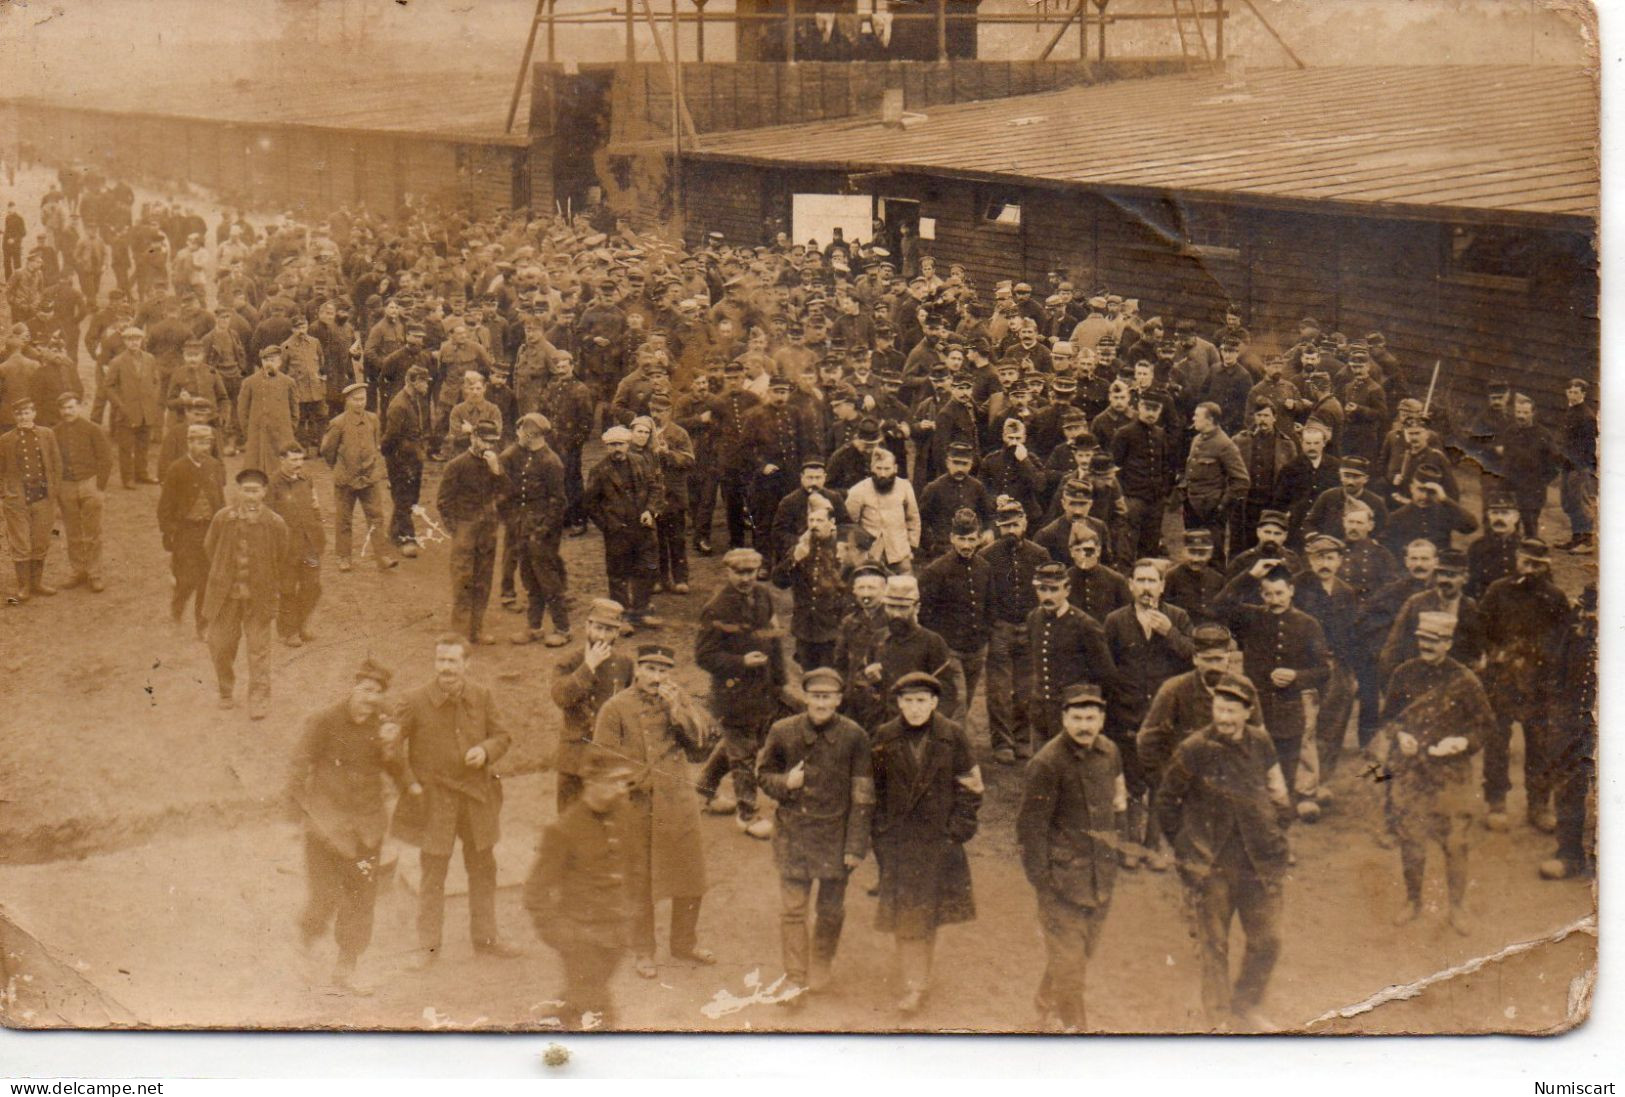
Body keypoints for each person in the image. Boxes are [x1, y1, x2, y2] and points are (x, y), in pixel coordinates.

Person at [1155, 673, 1292, 1032]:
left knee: (1268, 940)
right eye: (1220, 708)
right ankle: (1218, 1020)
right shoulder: (1195, 748)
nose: (1225, 718)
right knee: (1214, 945)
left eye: (1233, 711)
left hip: (1257, 861)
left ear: (1248, 712)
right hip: (1211, 863)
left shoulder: (1261, 742)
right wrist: (1186, 849)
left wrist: (1275, 832)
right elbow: (1167, 803)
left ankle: (1245, 1004)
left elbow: (1278, 793)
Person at [393, 634, 522, 970]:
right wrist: (410, 784)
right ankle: (428, 948)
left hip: (476, 796)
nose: (446, 668)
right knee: (433, 872)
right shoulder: (414, 700)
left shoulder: (483, 696)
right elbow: (391, 746)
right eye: (441, 660)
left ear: (467, 664)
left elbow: (503, 736)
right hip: (436, 799)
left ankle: (487, 938)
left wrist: (486, 751)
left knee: (483, 868)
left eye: (452, 661)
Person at [591, 643, 715, 979]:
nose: (656, 677)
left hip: (678, 802)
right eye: (650, 669)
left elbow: (700, 751)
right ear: (637, 670)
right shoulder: (616, 708)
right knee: (641, 883)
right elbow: (602, 761)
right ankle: (643, 951)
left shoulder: (676, 702)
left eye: (663, 671)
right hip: (636, 806)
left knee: (690, 875)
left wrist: (681, 712)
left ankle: (684, 944)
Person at [755, 667, 874, 1003]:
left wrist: (855, 846)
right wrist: (785, 784)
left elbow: (863, 795)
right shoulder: (783, 731)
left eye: (828, 696)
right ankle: (795, 978)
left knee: (831, 910)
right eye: (815, 696)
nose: (821, 703)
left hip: (836, 838)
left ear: (839, 699)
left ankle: (821, 960)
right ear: (806, 697)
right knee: (793, 911)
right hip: (793, 833)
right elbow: (763, 775)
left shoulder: (855, 737)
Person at [869, 671, 982, 1015]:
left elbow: (971, 788)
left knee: (926, 915)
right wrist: (882, 837)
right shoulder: (885, 736)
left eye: (922, 701)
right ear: (899, 703)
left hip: (939, 842)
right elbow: (875, 791)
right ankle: (915, 982)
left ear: (934, 703)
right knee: (910, 914)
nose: (915, 708)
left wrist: (956, 831)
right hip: (900, 843)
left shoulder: (953, 736)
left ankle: (915, 978)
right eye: (908, 701)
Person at [1375, 612, 1492, 936]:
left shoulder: (1465, 680)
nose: (1427, 646)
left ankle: (1457, 907)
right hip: (1411, 772)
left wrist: (1462, 742)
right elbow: (1388, 719)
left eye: (1435, 641)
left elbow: (1485, 727)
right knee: (1411, 839)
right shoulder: (1403, 674)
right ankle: (1413, 902)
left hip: (1450, 773)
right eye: (1423, 640)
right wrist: (1400, 736)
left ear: (1448, 643)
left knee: (1455, 842)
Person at [1017, 682, 1125, 1032]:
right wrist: (1042, 881)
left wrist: (1115, 854)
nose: (1084, 726)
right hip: (1061, 881)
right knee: (1071, 963)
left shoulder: (1110, 753)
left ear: (1102, 719)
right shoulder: (1046, 764)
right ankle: (1075, 1030)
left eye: (1091, 718)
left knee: (1080, 953)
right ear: (1064, 718)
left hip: (1099, 876)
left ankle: (1046, 1000)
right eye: (1077, 717)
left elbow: (1118, 805)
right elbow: (1030, 829)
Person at [289, 657, 400, 995]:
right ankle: (304, 948)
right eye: (365, 689)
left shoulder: (383, 726)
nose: (370, 698)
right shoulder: (325, 721)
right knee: (323, 898)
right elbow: (299, 763)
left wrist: (393, 749)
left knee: (361, 900)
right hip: (327, 829)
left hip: (366, 829)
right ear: (354, 687)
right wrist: (298, 812)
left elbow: (395, 768)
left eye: (376, 693)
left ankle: (346, 968)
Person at [523, 753, 638, 1030]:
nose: (622, 789)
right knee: (599, 1013)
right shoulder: (564, 830)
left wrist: (631, 911)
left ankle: (546, 1025)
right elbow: (535, 892)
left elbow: (633, 866)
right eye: (614, 782)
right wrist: (561, 935)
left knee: (582, 995)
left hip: (617, 933)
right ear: (591, 783)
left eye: (624, 782)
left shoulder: (626, 815)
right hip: (581, 936)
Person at [1478, 539, 1573, 833]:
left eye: (1536, 565)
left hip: (1538, 683)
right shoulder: (1497, 591)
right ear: (1516, 560)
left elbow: (1563, 638)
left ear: (1545, 567)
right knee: (1497, 742)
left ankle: (1539, 804)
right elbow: (1482, 630)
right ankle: (1496, 801)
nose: (1529, 570)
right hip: (1502, 680)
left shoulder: (1555, 597)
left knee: (1539, 744)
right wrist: (1496, 653)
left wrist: (1539, 656)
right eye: (1525, 562)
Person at [695, 547, 789, 837]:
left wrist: (780, 680)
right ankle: (748, 814)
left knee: (743, 743)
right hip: (731, 694)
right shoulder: (716, 607)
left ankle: (705, 784)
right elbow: (704, 656)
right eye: (740, 572)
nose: (747, 578)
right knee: (744, 751)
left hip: (762, 688)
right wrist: (740, 662)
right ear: (728, 572)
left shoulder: (763, 596)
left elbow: (773, 639)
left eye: (751, 572)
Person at [202, 467, 290, 719]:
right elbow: (210, 549)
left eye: (255, 491)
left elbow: (281, 555)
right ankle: (226, 691)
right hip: (225, 597)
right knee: (220, 646)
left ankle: (259, 699)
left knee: (258, 650)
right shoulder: (222, 518)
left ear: (264, 493)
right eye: (245, 490)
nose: (250, 496)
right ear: (238, 492)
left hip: (258, 598)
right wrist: (223, 576)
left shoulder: (274, 523)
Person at [550, 598, 634, 813]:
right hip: (574, 754)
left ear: (617, 633)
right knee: (569, 821)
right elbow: (561, 698)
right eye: (598, 628)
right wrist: (589, 667)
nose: (603, 636)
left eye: (609, 630)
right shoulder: (568, 661)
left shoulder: (624, 664)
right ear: (587, 626)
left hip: (608, 754)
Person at [584, 424, 662, 629]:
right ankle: (623, 617)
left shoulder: (640, 462)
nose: (617, 449)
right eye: (612, 445)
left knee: (648, 569)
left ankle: (641, 611)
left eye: (621, 444)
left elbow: (655, 487)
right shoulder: (599, 471)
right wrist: (609, 526)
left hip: (643, 527)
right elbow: (590, 504)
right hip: (618, 531)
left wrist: (649, 511)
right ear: (606, 447)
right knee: (618, 575)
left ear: (628, 444)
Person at [501, 412, 570, 645]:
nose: (518, 435)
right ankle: (534, 627)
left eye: (522, 431)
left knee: (548, 580)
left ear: (532, 434)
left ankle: (563, 629)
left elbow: (558, 502)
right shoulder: (521, 454)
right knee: (529, 579)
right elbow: (506, 460)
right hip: (523, 527)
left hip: (542, 532)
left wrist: (542, 530)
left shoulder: (551, 462)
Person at [436, 419, 507, 645]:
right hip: (465, 531)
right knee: (463, 581)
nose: (488, 446)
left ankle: (476, 630)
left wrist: (497, 471)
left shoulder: (495, 464)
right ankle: (459, 634)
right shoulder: (456, 465)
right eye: (484, 441)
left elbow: (508, 494)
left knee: (483, 581)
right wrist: (456, 529)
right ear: (473, 437)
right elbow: (443, 502)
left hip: (488, 531)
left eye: (493, 442)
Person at [319, 382, 398, 573]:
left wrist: (371, 466)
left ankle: (382, 556)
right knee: (344, 519)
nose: (359, 403)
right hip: (346, 480)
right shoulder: (337, 423)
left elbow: (375, 444)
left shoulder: (373, 420)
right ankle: (344, 557)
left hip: (369, 477)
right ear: (348, 401)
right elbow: (327, 450)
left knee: (376, 517)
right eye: (355, 400)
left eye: (362, 399)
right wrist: (340, 468)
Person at [157, 423, 227, 634]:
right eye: (199, 442)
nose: (204, 447)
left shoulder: (214, 465)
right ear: (189, 443)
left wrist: (223, 527)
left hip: (209, 531)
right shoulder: (177, 468)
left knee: (206, 580)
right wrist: (169, 533)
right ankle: (176, 610)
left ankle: (202, 625)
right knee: (186, 579)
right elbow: (165, 506)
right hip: (186, 532)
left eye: (207, 442)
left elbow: (219, 500)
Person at [0, 397, 62, 599]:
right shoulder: (5, 440)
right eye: (19, 413)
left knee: (41, 540)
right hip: (17, 499)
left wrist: (54, 492)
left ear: (34, 413)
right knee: (21, 542)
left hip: (43, 496)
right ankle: (23, 586)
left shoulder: (47, 434)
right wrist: (5, 494)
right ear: (14, 416)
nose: (23, 417)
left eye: (27, 412)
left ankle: (37, 583)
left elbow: (56, 465)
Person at [265, 443, 324, 647]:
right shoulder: (272, 484)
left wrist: (317, 532)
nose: (299, 464)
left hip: (309, 544)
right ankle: (288, 632)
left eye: (301, 459)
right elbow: (267, 518)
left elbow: (315, 507)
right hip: (287, 548)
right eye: (293, 460)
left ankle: (301, 625)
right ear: (282, 460)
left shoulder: (307, 479)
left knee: (313, 587)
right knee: (288, 589)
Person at [51, 392, 111, 592]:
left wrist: (99, 487)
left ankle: (95, 573)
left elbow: (105, 459)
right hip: (66, 486)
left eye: (71, 407)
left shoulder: (93, 429)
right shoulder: (55, 432)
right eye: (63, 408)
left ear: (80, 407)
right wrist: (58, 488)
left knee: (93, 532)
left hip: (89, 484)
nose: (67, 412)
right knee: (73, 531)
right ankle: (78, 570)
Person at [381, 364, 433, 556]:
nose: (427, 385)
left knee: (410, 497)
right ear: (412, 381)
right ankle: (406, 539)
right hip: (401, 460)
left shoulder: (414, 399)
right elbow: (390, 437)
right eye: (423, 382)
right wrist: (393, 460)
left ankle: (393, 533)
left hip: (412, 457)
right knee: (404, 498)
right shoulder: (399, 405)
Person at [103, 325, 163, 486]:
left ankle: (141, 474)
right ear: (124, 341)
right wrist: (120, 405)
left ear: (141, 340)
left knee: (143, 445)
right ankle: (127, 478)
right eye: (130, 339)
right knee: (126, 447)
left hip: (146, 410)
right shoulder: (117, 362)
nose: (134, 342)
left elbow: (157, 381)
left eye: (137, 339)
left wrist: (153, 400)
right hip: (126, 412)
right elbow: (108, 387)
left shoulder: (150, 359)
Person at [237, 344, 298, 475]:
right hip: (258, 436)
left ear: (279, 362)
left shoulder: (288, 382)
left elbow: (295, 411)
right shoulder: (249, 382)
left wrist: (289, 429)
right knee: (256, 473)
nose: (269, 364)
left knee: (283, 473)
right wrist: (249, 431)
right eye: (266, 360)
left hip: (282, 436)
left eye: (272, 360)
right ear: (261, 362)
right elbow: (242, 411)